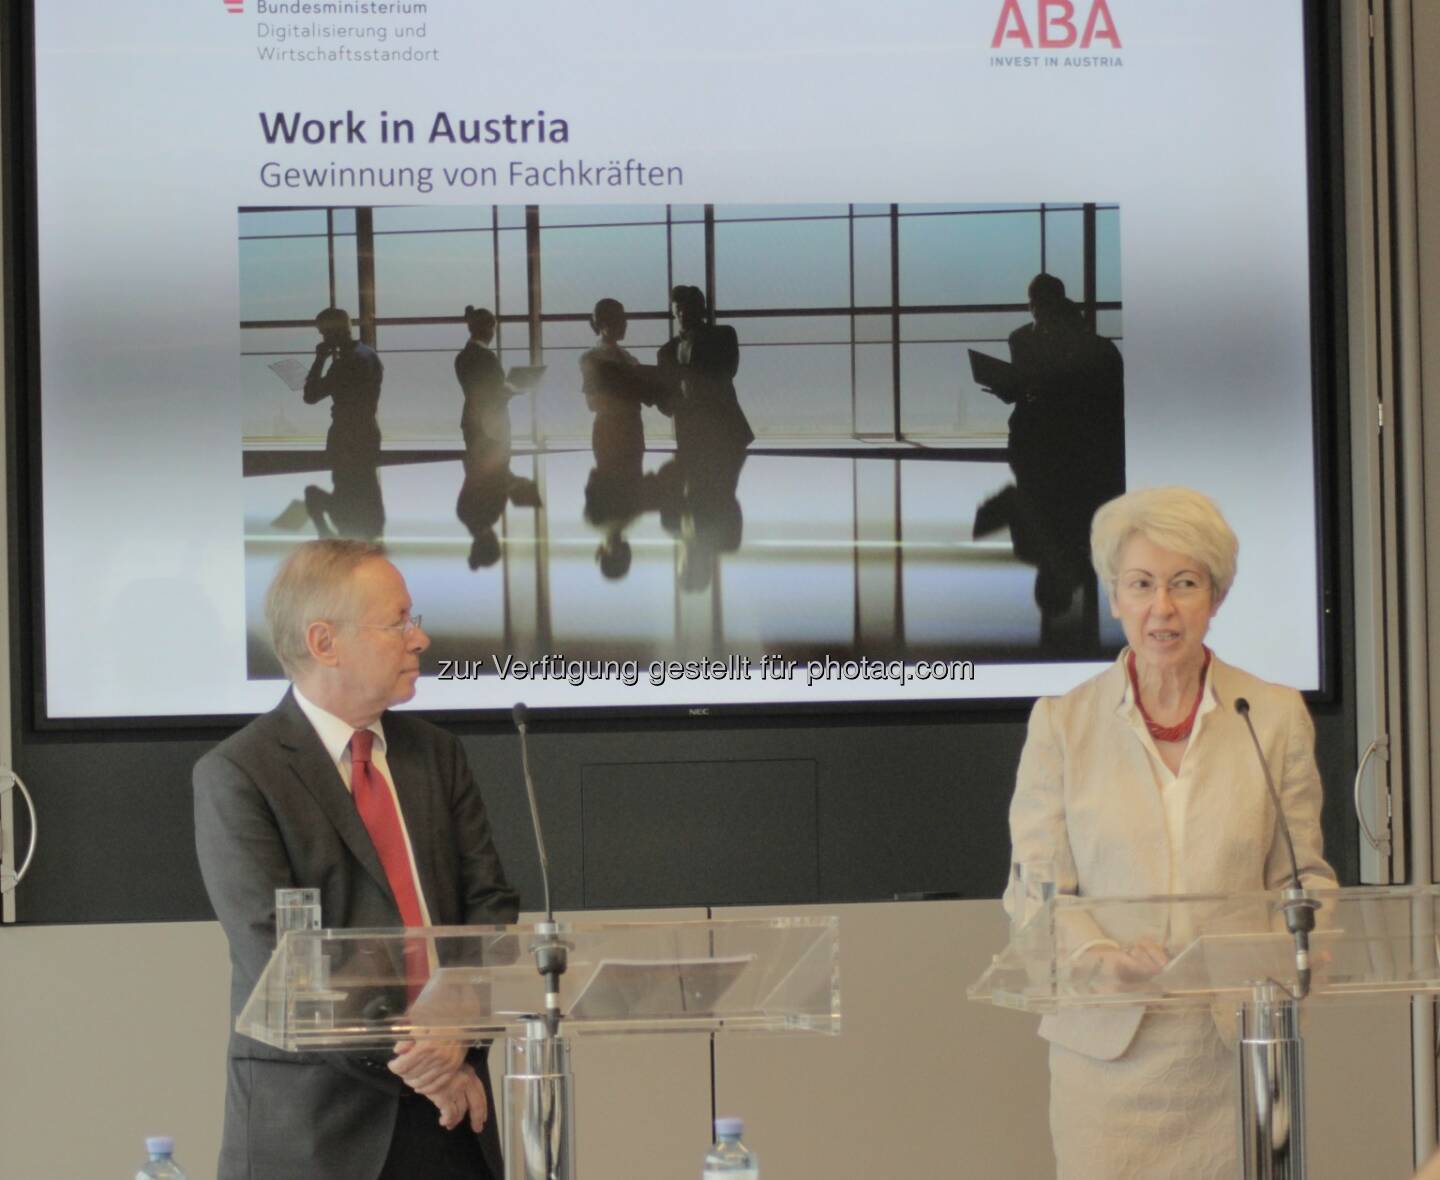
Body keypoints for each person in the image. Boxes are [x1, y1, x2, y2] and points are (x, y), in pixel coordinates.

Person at [1004, 486, 1336, 1180]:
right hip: (1108, 1059)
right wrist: (1103, 957)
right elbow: (1034, 894)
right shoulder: (1062, 725)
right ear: (1115, 596)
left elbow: (1305, 882)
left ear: (1215, 597)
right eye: (1142, 584)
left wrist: (1296, 950)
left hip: (1239, 1050)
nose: (1163, 607)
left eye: (1185, 584)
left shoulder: (1269, 716)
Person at [194, 540, 519, 1180]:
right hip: (318, 1129)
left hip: (451, 1120)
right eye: (397, 621)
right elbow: (281, 964)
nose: (419, 637)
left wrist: (457, 1035)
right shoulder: (239, 774)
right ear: (324, 642)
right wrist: (428, 1063)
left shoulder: (438, 754)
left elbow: (491, 911)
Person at [976, 274, 1124, 650]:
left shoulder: (1023, 338)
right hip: (1072, 447)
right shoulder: (1096, 347)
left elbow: (1027, 390)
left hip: (1036, 440)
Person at [301, 307, 386, 540]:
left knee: (346, 484)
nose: (323, 339)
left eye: (324, 334)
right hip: (367, 432)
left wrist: (319, 359)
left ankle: (329, 534)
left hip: (346, 435)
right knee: (362, 484)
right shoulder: (368, 355)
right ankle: (358, 531)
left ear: (331, 332)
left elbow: (310, 395)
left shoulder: (346, 362)